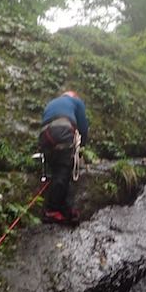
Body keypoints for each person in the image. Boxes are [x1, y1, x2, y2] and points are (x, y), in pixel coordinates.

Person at [38, 88, 88, 224]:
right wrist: (81, 146)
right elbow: (83, 126)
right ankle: (52, 210)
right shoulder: (76, 102)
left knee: (57, 168)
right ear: (74, 96)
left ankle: (63, 208)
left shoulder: (52, 103)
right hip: (62, 130)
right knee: (64, 170)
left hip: (45, 135)